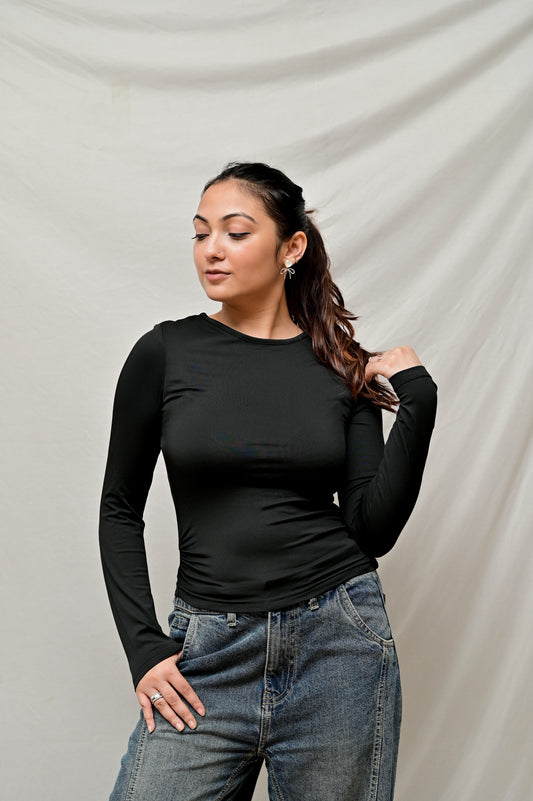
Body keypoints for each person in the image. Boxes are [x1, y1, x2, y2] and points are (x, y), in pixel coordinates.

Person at [99, 161, 438, 801]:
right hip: (208, 652)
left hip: (336, 645)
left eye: (235, 232)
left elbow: (372, 529)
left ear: (291, 247)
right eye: (201, 233)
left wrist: (418, 403)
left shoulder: (340, 366)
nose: (212, 250)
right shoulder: (164, 353)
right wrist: (144, 648)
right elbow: (118, 508)